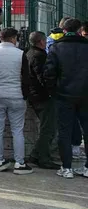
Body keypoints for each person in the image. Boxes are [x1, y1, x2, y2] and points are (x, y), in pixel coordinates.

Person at [0, 28, 33, 174]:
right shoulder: (20, 54)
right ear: (13, 38)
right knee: (17, 130)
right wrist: (24, 95)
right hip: (16, 95)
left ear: (0, 38)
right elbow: (26, 78)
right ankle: (20, 163)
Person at [44, 18, 88, 180]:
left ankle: (67, 167)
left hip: (63, 95)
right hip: (86, 95)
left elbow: (49, 73)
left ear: (63, 30)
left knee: (64, 132)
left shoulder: (56, 48)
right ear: (80, 30)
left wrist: (53, 91)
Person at [26, 31, 60, 170]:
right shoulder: (40, 56)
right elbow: (43, 77)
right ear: (41, 42)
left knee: (47, 127)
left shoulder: (29, 54)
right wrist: (52, 92)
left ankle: (35, 155)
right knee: (48, 129)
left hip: (34, 95)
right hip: (42, 97)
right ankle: (44, 158)